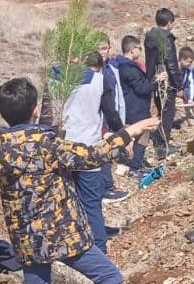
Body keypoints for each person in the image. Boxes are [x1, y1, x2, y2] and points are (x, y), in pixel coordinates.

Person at [0, 77, 158, 284]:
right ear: (35, 110)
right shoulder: (47, 144)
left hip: (27, 239)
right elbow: (92, 156)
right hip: (62, 232)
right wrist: (128, 133)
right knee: (110, 278)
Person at [62, 51, 113, 254]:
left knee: (66, 200)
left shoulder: (56, 78)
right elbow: (111, 113)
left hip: (63, 147)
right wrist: (122, 134)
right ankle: (98, 249)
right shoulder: (101, 81)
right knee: (91, 202)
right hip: (89, 149)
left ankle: (71, 246)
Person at [115, 35, 159, 181]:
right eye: (139, 48)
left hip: (129, 108)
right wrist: (156, 82)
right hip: (136, 108)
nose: (140, 51)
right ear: (133, 49)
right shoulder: (129, 68)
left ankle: (133, 164)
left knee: (131, 138)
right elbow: (141, 89)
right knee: (142, 137)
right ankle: (135, 168)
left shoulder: (119, 65)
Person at [144, 8, 180, 155]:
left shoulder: (150, 36)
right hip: (165, 80)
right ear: (170, 22)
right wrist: (178, 83)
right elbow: (171, 63)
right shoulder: (166, 39)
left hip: (154, 78)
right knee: (167, 112)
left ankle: (160, 140)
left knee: (161, 109)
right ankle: (162, 147)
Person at [97, 37, 128, 203]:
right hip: (100, 120)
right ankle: (107, 189)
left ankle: (108, 187)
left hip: (112, 115)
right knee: (103, 153)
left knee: (107, 152)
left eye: (105, 48)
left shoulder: (112, 68)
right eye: (99, 48)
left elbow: (118, 95)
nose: (102, 52)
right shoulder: (94, 71)